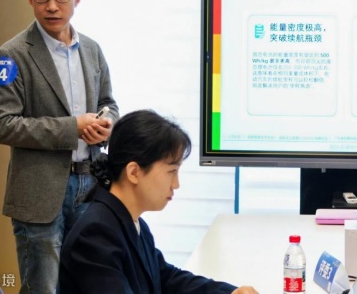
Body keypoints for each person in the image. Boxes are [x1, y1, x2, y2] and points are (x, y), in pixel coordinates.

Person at [0, 0, 119, 293]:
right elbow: (2, 125)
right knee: (43, 288)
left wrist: (108, 124)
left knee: (88, 285)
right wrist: (72, 128)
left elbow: (109, 103)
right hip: (38, 193)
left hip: (90, 187)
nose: (52, 5)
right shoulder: (10, 56)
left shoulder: (92, 50)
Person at [59, 109, 259, 294]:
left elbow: (165, 278)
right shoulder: (95, 234)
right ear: (134, 172)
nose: (176, 184)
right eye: (171, 171)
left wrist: (229, 292)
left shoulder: (131, 222)